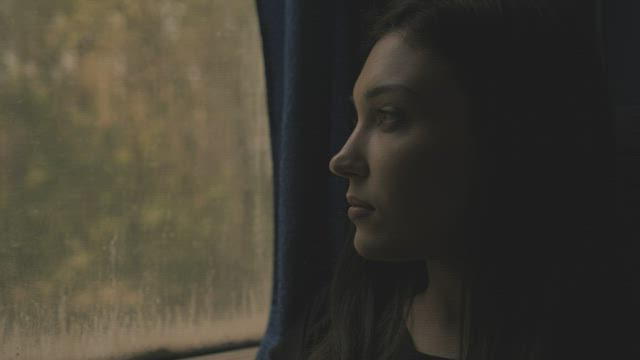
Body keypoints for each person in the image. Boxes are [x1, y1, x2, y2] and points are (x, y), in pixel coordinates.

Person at [270, 0, 620, 359]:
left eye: (388, 116)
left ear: (505, 136)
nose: (342, 160)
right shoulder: (329, 334)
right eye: (357, 117)